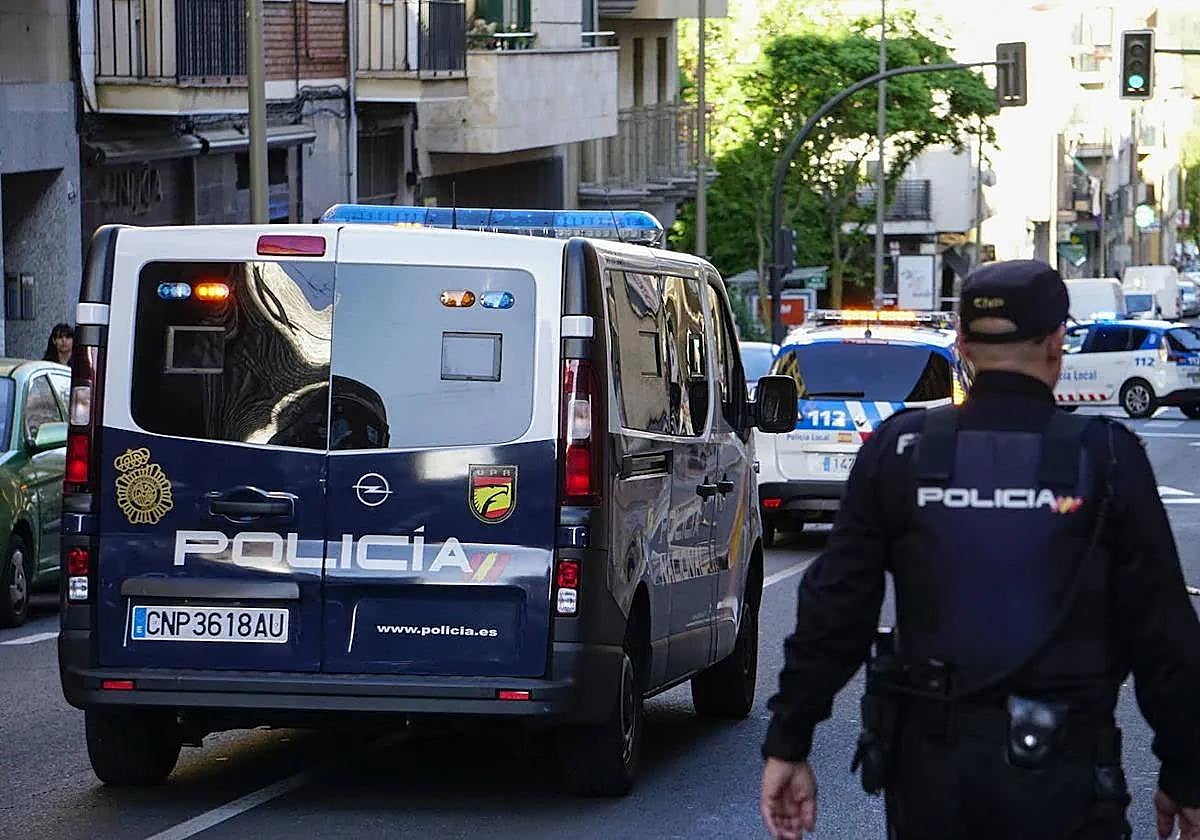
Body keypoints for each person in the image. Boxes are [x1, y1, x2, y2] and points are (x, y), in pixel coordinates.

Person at [759, 260, 1200, 840]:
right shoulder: (1107, 457)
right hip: (1066, 777)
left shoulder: (902, 451)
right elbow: (1163, 631)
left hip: (931, 779)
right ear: (1055, 344)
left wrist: (790, 740)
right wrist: (1186, 773)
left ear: (963, 344)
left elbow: (836, 608)